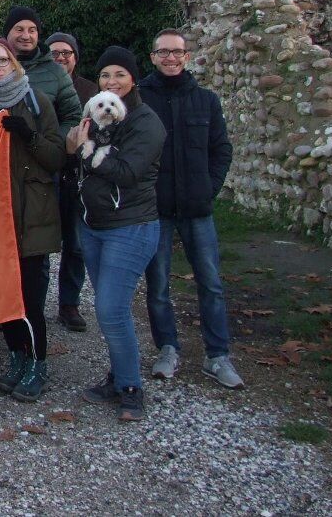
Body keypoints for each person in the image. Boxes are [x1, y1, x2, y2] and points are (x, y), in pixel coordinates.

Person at [66, 46, 164, 422]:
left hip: (130, 226)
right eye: (105, 76)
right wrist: (77, 147)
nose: (112, 82)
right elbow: (74, 150)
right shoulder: (95, 117)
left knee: (110, 310)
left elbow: (126, 171)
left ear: (133, 79)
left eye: (120, 75)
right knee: (111, 310)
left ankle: (130, 388)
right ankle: (119, 374)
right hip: (94, 224)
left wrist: (86, 154)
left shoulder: (145, 122)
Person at [140, 29, 242, 389]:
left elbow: (221, 149)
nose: (170, 58)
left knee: (211, 283)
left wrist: (209, 188)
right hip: (158, 207)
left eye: (177, 52)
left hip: (197, 207)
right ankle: (167, 348)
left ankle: (218, 355)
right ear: (153, 56)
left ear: (186, 57)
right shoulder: (140, 98)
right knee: (159, 283)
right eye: (163, 52)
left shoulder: (206, 101)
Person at [0, 38, 65, 402]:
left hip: (31, 212)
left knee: (30, 296)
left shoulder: (36, 102)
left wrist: (30, 136)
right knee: (1, 294)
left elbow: (57, 157)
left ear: (14, 64)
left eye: (1, 61)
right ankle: (15, 355)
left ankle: (36, 362)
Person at [45, 31, 99, 333]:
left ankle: (69, 303)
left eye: (67, 52)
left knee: (75, 244)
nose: (61, 58)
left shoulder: (91, 92)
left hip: (78, 176)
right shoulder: (37, 86)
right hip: (47, 172)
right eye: (55, 52)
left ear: (75, 57)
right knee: (38, 244)